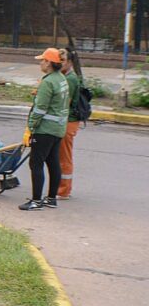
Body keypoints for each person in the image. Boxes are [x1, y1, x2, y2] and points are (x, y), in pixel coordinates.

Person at [20, 48, 69, 211]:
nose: (40, 62)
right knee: (53, 162)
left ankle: (35, 201)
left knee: (36, 163)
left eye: (42, 60)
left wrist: (30, 127)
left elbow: (40, 109)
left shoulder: (48, 82)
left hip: (45, 130)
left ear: (48, 63)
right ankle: (51, 198)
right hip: (58, 129)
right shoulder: (61, 78)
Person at [59, 49, 81, 200]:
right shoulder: (64, 76)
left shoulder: (70, 79)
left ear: (70, 62)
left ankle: (64, 190)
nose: (59, 63)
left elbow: (65, 103)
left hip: (68, 122)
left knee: (64, 157)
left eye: (62, 60)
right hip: (66, 121)